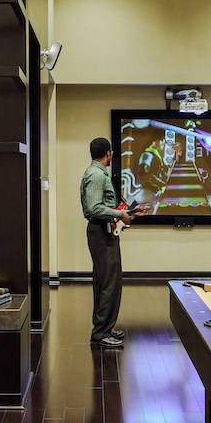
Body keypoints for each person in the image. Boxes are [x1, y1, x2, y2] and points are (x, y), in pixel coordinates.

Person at [80, 136, 131, 348]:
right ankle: (101, 333)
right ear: (108, 153)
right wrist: (119, 215)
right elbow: (93, 208)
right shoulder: (97, 175)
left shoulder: (97, 173)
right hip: (101, 232)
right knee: (109, 282)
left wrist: (124, 212)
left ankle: (104, 329)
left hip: (104, 231)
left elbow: (102, 205)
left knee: (106, 281)